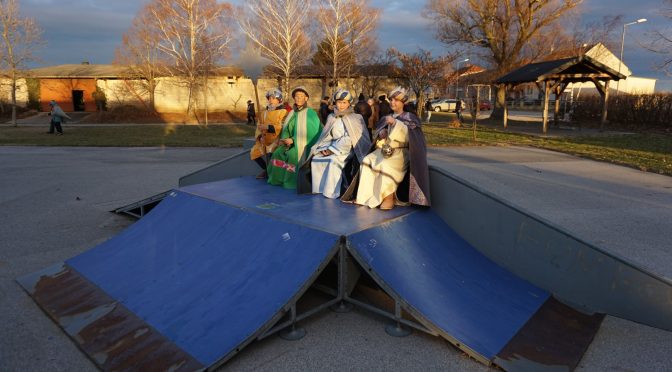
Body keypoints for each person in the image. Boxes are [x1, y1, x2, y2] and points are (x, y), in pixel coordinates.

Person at [342, 87, 430, 210]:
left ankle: (389, 198)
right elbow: (378, 135)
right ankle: (364, 197)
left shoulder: (410, 117)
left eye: (396, 100)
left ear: (403, 102)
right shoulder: (387, 117)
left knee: (385, 166)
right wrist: (381, 133)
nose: (393, 103)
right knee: (367, 161)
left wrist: (395, 124)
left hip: (400, 152)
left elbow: (412, 136)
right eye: (391, 100)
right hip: (385, 150)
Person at [307, 89, 371, 199]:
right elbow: (327, 135)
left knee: (333, 161)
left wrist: (332, 149)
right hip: (332, 146)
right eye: (339, 102)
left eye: (344, 103)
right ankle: (320, 189)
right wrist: (324, 148)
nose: (341, 105)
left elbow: (351, 139)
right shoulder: (331, 117)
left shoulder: (356, 117)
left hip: (348, 149)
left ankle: (331, 192)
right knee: (316, 158)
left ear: (349, 103)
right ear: (335, 102)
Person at [267, 86, 322, 189]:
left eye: (301, 96)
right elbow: (286, 129)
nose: (299, 98)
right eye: (296, 96)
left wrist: (293, 140)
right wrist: (284, 140)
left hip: (303, 145)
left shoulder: (310, 113)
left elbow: (312, 134)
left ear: (306, 98)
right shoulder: (292, 113)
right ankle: (277, 179)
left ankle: (290, 182)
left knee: (292, 155)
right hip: (289, 143)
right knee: (278, 153)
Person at [250, 89, 289, 179]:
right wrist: (260, 137)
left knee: (270, 150)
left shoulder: (283, 112)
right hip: (265, 139)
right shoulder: (264, 113)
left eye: (273, 98)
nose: (271, 100)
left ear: (279, 100)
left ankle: (273, 172)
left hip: (277, 139)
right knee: (254, 152)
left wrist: (268, 127)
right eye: (269, 98)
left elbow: (282, 126)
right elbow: (259, 126)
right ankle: (266, 169)